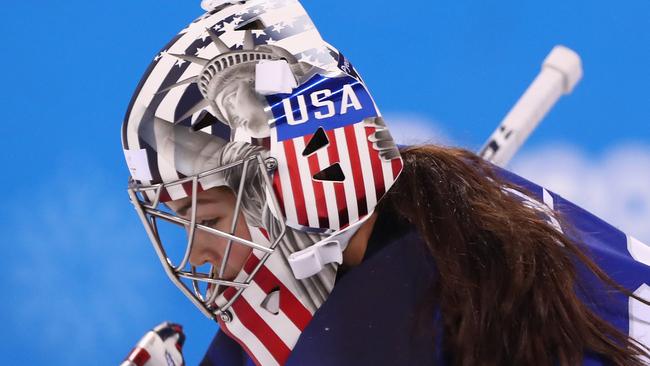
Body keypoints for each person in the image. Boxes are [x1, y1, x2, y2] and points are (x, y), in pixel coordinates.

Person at [120, 1, 650, 365]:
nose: (197, 256)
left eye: (208, 219)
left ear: (294, 171)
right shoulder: (432, 213)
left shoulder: (409, 294)